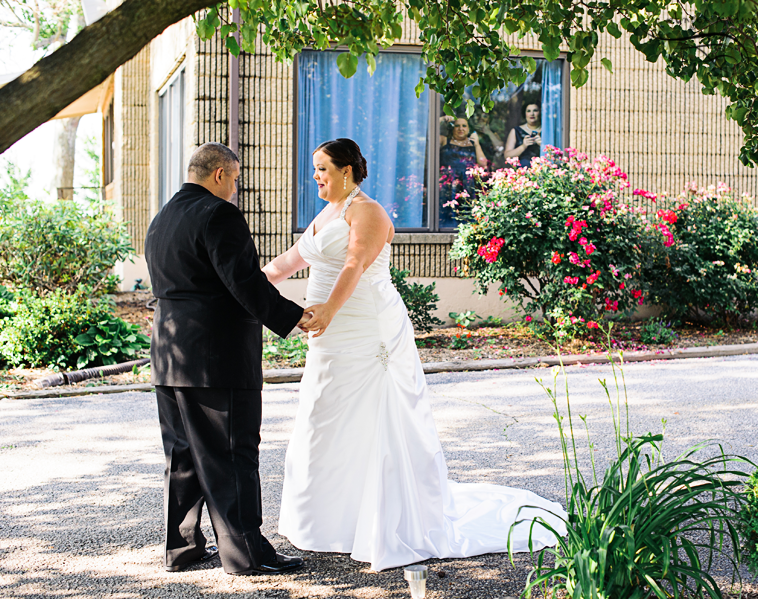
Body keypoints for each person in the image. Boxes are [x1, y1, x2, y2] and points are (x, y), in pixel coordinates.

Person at [263, 138, 566, 572]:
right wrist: (244, 285)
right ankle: (330, 518)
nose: (316, 178)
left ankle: (382, 518)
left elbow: (354, 265)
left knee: (372, 415)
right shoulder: (328, 212)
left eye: (322, 170)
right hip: (330, 336)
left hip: (366, 327)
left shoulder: (367, 211)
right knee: (323, 414)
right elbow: (290, 260)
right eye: (315, 170)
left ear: (346, 171)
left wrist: (328, 307)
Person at [144, 142, 308, 576]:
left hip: (169, 354)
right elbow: (243, 281)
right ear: (219, 174)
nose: (236, 188)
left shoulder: (163, 217)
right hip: (215, 356)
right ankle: (245, 555)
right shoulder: (219, 214)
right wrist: (294, 317)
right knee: (232, 452)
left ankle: (181, 549)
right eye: (235, 179)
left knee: (182, 455)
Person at [439, 116, 487, 228]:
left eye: (464, 126)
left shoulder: (473, 144)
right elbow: (429, 134)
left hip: (468, 185)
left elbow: (483, 163)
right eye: (457, 125)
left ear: (469, 129)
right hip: (449, 184)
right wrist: (442, 119)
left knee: (467, 213)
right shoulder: (445, 140)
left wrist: (477, 144)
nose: (461, 128)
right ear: (452, 128)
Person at [504, 103, 542, 167]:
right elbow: (507, 156)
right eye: (528, 111)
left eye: (535, 110)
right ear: (525, 113)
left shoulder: (547, 131)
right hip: (522, 173)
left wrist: (542, 145)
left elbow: (556, 152)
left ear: (540, 112)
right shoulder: (516, 131)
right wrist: (523, 146)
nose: (532, 114)